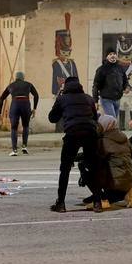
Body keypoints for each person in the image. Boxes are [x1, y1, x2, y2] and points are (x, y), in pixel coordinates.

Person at [48, 76, 102, 213]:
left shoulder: (62, 98)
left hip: (72, 133)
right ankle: (97, 202)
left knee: (65, 169)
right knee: (94, 167)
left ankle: (61, 203)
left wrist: (59, 99)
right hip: (90, 133)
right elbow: (95, 118)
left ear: (65, 86)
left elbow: (52, 118)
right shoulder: (88, 98)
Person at [81, 114, 132, 208]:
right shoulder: (123, 137)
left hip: (114, 183)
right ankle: (130, 193)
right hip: (128, 181)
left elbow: (96, 159)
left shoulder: (102, 140)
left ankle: (102, 199)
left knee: (86, 167)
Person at [0, 72, 39, 156]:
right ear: (23, 78)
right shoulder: (28, 84)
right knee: (26, 126)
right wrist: (34, 108)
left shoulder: (11, 85)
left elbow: (2, 98)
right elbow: (36, 95)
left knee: (14, 127)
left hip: (15, 104)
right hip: (26, 104)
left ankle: (14, 150)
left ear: (15, 78)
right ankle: (24, 147)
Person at [92, 48, 130, 118]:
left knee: (113, 122)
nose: (113, 56)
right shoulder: (101, 69)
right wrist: (95, 101)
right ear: (106, 57)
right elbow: (95, 86)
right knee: (112, 120)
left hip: (117, 99)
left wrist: (127, 87)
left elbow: (125, 81)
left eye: (114, 54)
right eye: (110, 54)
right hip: (106, 99)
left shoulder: (120, 68)